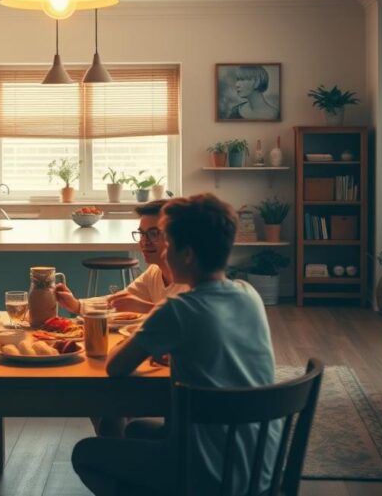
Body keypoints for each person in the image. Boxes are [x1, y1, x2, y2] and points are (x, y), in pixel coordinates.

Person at [71, 194, 280, 495]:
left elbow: (116, 367)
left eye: (169, 243)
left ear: (188, 255)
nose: (164, 252)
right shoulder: (249, 294)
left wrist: (150, 317)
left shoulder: (177, 309)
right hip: (258, 465)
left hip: (207, 475)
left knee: (86, 454)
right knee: (134, 430)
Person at [54, 200, 188, 316]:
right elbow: (120, 301)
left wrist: (144, 307)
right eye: (141, 234)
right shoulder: (154, 272)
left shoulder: (193, 278)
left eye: (153, 234)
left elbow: (192, 322)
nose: (145, 241)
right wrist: (76, 305)